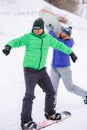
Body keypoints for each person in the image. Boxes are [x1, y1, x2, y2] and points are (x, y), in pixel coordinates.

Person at [2, 18, 77, 130]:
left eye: (38, 29)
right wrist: (8, 46)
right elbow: (17, 41)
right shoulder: (28, 37)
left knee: (51, 91)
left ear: (42, 29)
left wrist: (71, 53)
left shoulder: (48, 38)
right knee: (29, 95)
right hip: (30, 70)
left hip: (41, 70)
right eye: (34, 28)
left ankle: (50, 113)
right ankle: (26, 121)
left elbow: (59, 45)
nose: (36, 30)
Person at [48, 25, 87, 108]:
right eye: (62, 32)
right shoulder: (59, 39)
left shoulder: (67, 42)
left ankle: (85, 95)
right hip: (54, 67)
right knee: (53, 87)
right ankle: (52, 103)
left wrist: (51, 30)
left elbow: (55, 40)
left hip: (64, 69)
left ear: (68, 35)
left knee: (70, 87)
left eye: (65, 34)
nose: (63, 34)